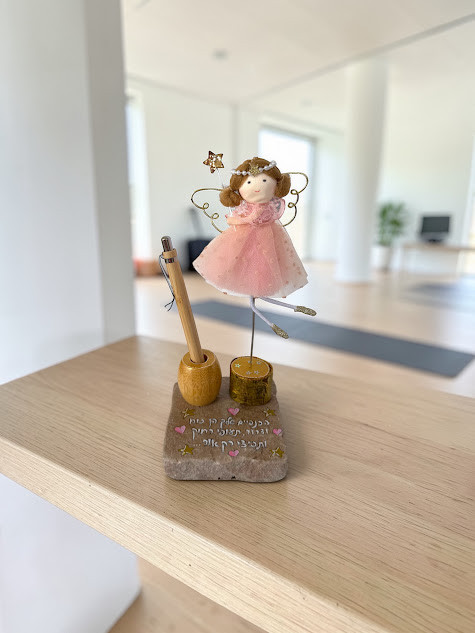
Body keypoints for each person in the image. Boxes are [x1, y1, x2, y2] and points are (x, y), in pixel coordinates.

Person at [193, 157, 316, 338]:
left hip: (267, 241)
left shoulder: (264, 209)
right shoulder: (249, 207)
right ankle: (289, 312)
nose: (257, 187)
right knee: (247, 276)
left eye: (265, 180)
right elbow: (244, 218)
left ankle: (289, 311)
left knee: (262, 275)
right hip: (242, 242)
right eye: (249, 182)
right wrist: (235, 219)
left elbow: (250, 218)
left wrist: (235, 219)